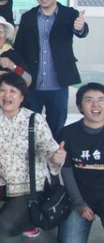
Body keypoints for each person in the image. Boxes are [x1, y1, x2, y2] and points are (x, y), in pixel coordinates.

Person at [0, 73, 66, 238]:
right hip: (2, 180)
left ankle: (29, 219)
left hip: (29, 186)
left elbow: (50, 149)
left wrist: (56, 157)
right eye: (2, 90)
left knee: (5, 227)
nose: (6, 95)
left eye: (13, 91)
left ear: (22, 97)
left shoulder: (35, 120)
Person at [14, 0, 89, 139]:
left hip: (58, 83)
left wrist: (80, 27)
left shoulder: (69, 14)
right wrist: (21, 75)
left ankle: (54, 161)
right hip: (32, 83)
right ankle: (32, 161)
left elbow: (82, 31)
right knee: (29, 126)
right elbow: (19, 48)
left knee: (57, 126)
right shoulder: (28, 17)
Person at [58, 83, 104, 243]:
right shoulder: (68, 133)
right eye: (89, 100)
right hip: (78, 197)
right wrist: (80, 204)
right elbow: (67, 173)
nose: (96, 104)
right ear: (80, 106)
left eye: (101, 100)